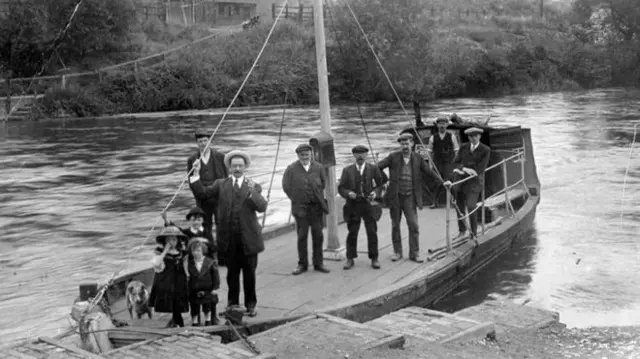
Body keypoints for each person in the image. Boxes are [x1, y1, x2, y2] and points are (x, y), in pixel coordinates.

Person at [190, 150, 267, 317]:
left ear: (245, 167)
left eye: (240, 165)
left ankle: (250, 305)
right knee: (231, 276)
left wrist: (253, 192)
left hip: (249, 240)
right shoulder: (220, 184)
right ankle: (232, 305)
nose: (237, 168)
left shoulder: (253, 185)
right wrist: (195, 174)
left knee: (249, 276)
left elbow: (262, 207)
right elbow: (202, 194)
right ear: (229, 168)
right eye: (234, 166)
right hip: (229, 241)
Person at [378, 133, 442, 263]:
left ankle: (414, 253)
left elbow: (429, 172)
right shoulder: (393, 157)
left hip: (410, 198)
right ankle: (397, 252)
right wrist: (385, 181)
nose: (405, 146)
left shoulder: (418, 158)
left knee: (413, 225)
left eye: (407, 143)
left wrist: (442, 181)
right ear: (400, 145)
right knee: (395, 225)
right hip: (395, 197)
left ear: (412, 144)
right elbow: (377, 167)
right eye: (402, 144)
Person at [282, 143, 331, 276]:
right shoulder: (291, 169)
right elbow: (286, 186)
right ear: (298, 155)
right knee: (302, 236)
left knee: (318, 235)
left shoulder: (318, 167)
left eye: (307, 154)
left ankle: (318, 263)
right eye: (302, 155)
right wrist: (297, 198)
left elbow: (322, 184)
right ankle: (302, 264)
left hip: (315, 208)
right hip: (301, 209)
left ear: (311, 155)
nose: (305, 157)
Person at [338, 145, 387, 270]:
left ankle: (374, 258)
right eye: (357, 154)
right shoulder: (347, 170)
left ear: (366, 155)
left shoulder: (373, 169)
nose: (360, 156)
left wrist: (375, 193)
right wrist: (348, 193)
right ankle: (350, 258)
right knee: (352, 232)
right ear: (354, 155)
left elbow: (381, 185)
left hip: (368, 204)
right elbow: (341, 187)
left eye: (363, 154)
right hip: (353, 205)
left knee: (372, 231)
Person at [444, 127, 491, 238]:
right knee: (458, 206)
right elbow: (455, 163)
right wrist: (464, 169)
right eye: (471, 136)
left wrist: (462, 169)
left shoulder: (485, 150)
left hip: (475, 183)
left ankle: (473, 233)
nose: (473, 138)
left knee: (471, 206)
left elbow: (480, 169)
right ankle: (462, 230)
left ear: (479, 136)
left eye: (475, 136)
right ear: (468, 137)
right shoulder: (464, 147)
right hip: (460, 182)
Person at [187, 128, 228, 234]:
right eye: (200, 141)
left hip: (219, 198)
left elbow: (227, 177)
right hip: (203, 200)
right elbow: (191, 183)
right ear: (197, 143)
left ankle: (222, 246)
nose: (203, 144)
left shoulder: (221, 157)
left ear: (210, 141)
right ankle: (208, 247)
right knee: (205, 226)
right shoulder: (192, 160)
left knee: (222, 223)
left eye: (205, 141)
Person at [149, 226, 189, 328]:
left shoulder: (182, 252)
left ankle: (177, 321)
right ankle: (177, 322)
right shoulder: (159, 251)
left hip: (178, 280)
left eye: (174, 239)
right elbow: (156, 264)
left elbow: (185, 265)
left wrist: (188, 275)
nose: (171, 242)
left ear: (178, 240)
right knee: (168, 301)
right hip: (165, 280)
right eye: (169, 240)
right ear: (165, 241)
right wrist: (165, 252)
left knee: (177, 302)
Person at [185, 237, 220, 326]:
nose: (195, 253)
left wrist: (215, 287)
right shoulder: (190, 264)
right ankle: (195, 321)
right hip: (194, 290)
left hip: (207, 289)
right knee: (194, 307)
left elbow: (215, 276)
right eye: (194, 251)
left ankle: (208, 320)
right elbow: (188, 277)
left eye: (198, 251)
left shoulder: (210, 262)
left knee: (207, 306)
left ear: (203, 251)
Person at [426, 117, 460, 208]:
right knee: (437, 182)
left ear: (447, 125)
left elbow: (456, 150)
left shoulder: (452, 136)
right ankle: (434, 202)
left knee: (450, 181)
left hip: (449, 163)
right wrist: (430, 164)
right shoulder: (433, 137)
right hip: (437, 163)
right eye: (440, 124)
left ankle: (455, 201)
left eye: (444, 124)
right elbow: (429, 151)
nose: (442, 126)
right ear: (437, 125)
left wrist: (455, 162)